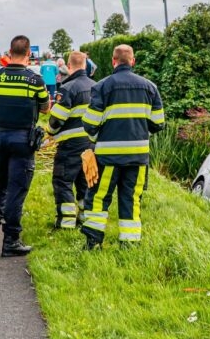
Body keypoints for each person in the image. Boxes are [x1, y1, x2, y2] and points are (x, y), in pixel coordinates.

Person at [80, 44, 164, 249]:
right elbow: (158, 123)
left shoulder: (102, 86)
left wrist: (98, 137)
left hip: (108, 156)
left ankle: (93, 242)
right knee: (132, 198)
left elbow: (90, 123)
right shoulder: (150, 87)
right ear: (133, 61)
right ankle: (130, 243)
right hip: (138, 156)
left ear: (113, 61)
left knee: (99, 198)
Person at [0, 36, 50, 256]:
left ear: (9, 52)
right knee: (16, 190)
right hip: (23, 140)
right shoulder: (34, 80)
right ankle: (11, 241)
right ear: (29, 54)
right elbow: (45, 108)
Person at [46, 51, 95, 229]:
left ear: (69, 65)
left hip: (71, 145)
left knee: (63, 180)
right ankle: (85, 218)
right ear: (85, 64)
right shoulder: (96, 86)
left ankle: (66, 221)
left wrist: (49, 131)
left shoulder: (68, 88)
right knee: (85, 180)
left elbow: (57, 118)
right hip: (91, 144)